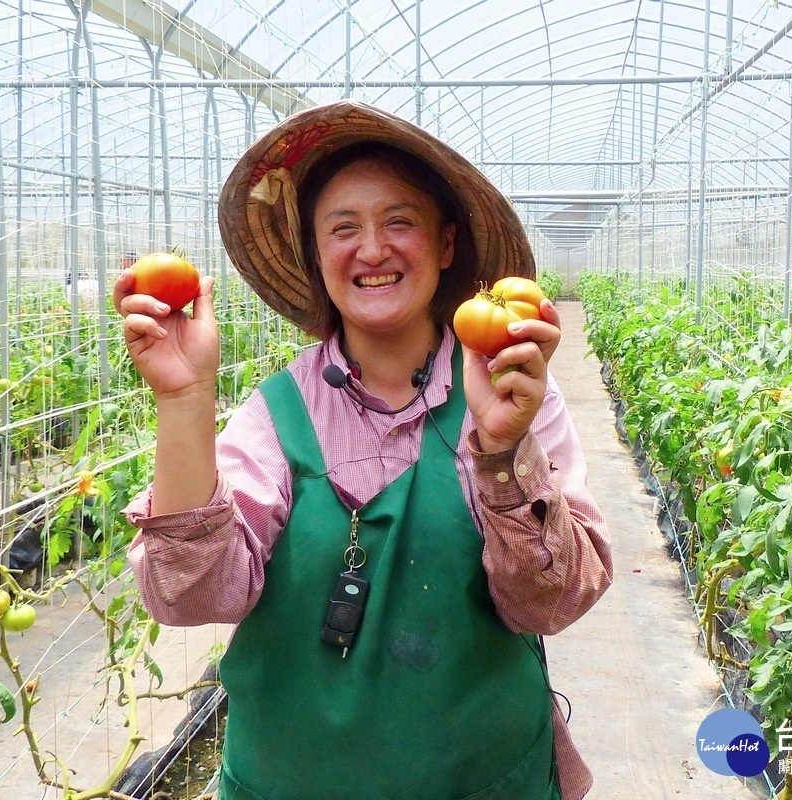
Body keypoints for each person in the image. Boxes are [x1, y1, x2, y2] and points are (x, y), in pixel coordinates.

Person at [115, 100, 613, 800]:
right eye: (342, 228)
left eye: (399, 222)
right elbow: (190, 594)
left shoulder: (514, 396)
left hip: (482, 781)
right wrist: (184, 402)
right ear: (318, 259)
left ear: (445, 245)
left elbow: (551, 604)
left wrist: (502, 454)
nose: (372, 249)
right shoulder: (277, 413)